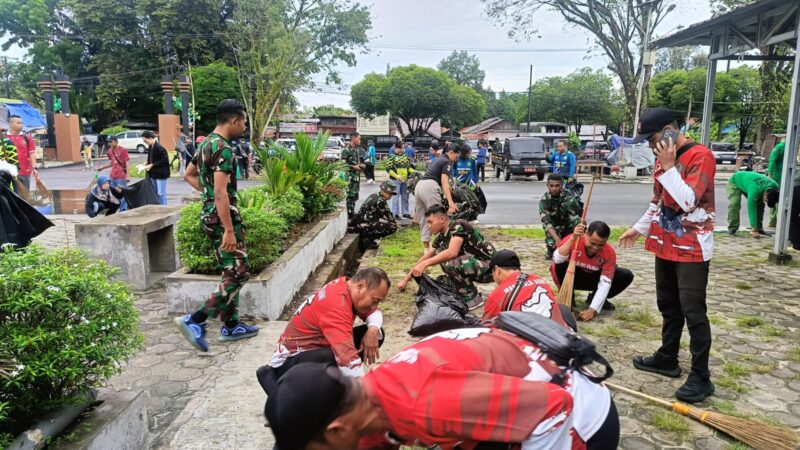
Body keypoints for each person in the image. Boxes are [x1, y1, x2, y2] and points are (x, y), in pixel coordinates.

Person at [266, 326, 620, 450]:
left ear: (338, 429)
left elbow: (553, 407)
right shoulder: (369, 395)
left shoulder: (422, 403)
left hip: (579, 419)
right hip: (522, 391)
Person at [619, 107, 716, 403]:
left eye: (653, 137)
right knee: (668, 304)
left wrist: (670, 165)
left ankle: (701, 375)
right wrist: (638, 228)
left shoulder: (701, 156)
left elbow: (688, 201)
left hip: (692, 248)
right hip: (665, 243)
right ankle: (667, 357)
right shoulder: (663, 162)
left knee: (693, 311)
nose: (650, 144)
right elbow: (658, 203)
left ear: (671, 130)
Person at [175, 99, 259, 352]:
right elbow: (222, 193)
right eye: (243, 122)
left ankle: (231, 325)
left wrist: (208, 194)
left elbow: (188, 175)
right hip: (223, 219)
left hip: (209, 216)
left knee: (229, 272)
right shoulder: (223, 149)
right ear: (234, 121)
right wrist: (230, 229)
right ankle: (195, 320)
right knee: (240, 273)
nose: (244, 127)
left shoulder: (205, 145)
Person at [256, 269, 389, 399]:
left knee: (375, 333)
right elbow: (347, 358)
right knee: (336, 356)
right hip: (289, 363)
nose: (374, 306)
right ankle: (276, 379)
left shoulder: (345, 286)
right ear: (361, 286)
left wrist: (372, 331)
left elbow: (375, 314)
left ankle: (331, 387)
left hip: (314, 349)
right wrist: (366, 398)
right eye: (375, 300)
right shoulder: (337, 305)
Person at [398, 205, 496, 308]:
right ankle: (463, 292)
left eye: (430, 222)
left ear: (442, 219)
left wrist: (425, 264)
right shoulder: (441, 236)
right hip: (476, 268)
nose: (428, 226)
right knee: (442, 281)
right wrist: (405, 280)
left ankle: (473, 299)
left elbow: (452, 252)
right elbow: (426, 257)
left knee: (450, 262)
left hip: (491, 270)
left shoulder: (458, 225)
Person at [552, 221, 635, 321]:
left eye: (600, 245)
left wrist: (593, 309)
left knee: (626, 275)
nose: (595, 248)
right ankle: (568, 296)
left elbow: (605, 282)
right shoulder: (574, 239)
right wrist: (572, 239)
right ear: (586, 234)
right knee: (560, 264)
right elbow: (557, 259)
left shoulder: (609, 253)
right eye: (592, 243)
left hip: (593, 279)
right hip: (572, 278)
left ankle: (595, 299)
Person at [483, 249, 575, 331]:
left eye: (492, 273)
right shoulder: (540, 280)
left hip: (532, 344)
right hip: (563, 337)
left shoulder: (497, 295)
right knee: (562, 309)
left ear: (497, 270)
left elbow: (486, 328)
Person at [414, 144, 459, 249]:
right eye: (456, 157)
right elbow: (444, 181)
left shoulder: (438, 159)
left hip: (419, 186)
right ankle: (440, 248)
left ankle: (426, 250)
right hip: (430, 187)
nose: (456, 160)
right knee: (438, 218)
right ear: (451, 152)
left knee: (425, 219)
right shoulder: (447, 161)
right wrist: (450, 201)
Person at [540, 173, 583, 260]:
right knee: (552, 249)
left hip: (568, 225)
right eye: (551, 186)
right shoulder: (544, 200)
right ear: (547, 185)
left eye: (557, 185)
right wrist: (556, 239)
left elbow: (577, 216)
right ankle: (551, 249)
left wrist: (572, 203)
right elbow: (546, 222)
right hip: (554, 228)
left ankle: (581, 246)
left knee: (580, 222)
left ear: (562, 185)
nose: (554, 188)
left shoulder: (569, 196)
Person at [726, 171, 779, 238]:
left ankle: (759, 228)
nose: (766, 201)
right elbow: (751, 208)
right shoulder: (755, 189)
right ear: (765, 194)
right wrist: (753, 229)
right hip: (736, 181)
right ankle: (732, 227)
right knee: (735, 204)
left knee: (760, 205)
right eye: (766, 200)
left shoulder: (775, 186)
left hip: (748, 183)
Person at [348, 181, 398, 250]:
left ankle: (368, 238)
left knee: (384, 223)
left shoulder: (374, 195)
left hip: (360, 223)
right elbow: (389, 216)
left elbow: (382, 214)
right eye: (389, 193)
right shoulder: (381, 200)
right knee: (393, 227)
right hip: (364, 225)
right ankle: (369, 239)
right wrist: (395, 223)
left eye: (391, 194)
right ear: (383, 191)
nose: (390, 196)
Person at [97, 136, 130, 211]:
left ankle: (123, 210)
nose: (109, 143)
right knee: (113, 192)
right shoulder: (110, 151)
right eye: (108, 142)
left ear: (116, 141)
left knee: (122, 193)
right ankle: (115, 208)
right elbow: (112, 163)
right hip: (112, 176)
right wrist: (103, 167)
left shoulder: (123, 150)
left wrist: (128, 175)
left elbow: (127, 163)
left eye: (110, 141)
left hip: (121, 176)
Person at [5, 115, 37, 194]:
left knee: (23, 197)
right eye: (18, 123)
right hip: (6, 172)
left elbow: (32, 153)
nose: (21, 125)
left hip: (24, 172)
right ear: (11, 124)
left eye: (22, 123)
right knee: (8, 196)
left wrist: (34, 168)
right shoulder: (3, 137)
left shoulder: (27, 137)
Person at [385, 141, 415, 219]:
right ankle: (395, 214)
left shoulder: (405, 156)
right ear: (396, 148)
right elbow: (388, 169)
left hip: (405, 180)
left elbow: (408, 167)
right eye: (401, 148)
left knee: (405, 197)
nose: (402, 150)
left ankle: (405, 212)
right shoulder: (391, 156)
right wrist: (396, 176)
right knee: (395, 197)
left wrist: (414, 172)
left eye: (402, 148)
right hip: (395, 180)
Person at [142, 130, 169, 205]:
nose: (145, 142)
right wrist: (147, 162)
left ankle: (164, 209)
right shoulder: (150, 147)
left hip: (160, 174)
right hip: (153, 174)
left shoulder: (160, 148)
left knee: (161, 193)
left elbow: (165, 161)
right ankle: (159, 208)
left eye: (145, 140)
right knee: (155, 193)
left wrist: (152, 165)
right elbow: (151, 158)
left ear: (150, 138)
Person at [341, 132, 365, 217]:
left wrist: (362, 165)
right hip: (350, 177)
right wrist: (354, 167)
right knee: (350, 196)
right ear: (353, 138)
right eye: (359, 138)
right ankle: (350, 214)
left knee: (355, 196)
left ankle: (352, 212)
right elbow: (343, 165)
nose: (360, 140)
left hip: (356, 177)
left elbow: (358, 162)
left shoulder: (357, 150)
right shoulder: (346, 150)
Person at [766, 139, 785, 228]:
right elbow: (772, 161)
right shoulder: (780, 147)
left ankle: (781, 220)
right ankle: (773, 221)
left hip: (785, 177)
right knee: (774, 198)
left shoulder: (792, 146)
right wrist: (770, 175)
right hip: (777, 178)